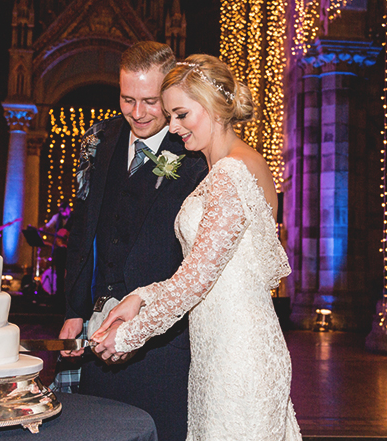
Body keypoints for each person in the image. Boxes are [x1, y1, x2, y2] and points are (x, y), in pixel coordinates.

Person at [92, 54, 303, 440]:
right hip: (218, 348)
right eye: (171, 115)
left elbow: (196, 278)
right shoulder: (233, 166)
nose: (173, 127)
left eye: (182, 114)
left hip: (237, 355)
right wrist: (139, 296)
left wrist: (129, 335)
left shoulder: (230, 173)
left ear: (211, 106)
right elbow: (207, 269)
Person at [58, 42, 207, 441]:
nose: (137, 113)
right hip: (98, 332)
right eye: (127, 99)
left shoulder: (193, 148)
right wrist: (75, 307)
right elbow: (83, 226)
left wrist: (148, 320)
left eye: (150, 101)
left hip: (165, 342)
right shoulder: (100, 137)